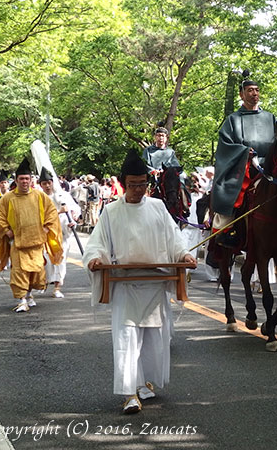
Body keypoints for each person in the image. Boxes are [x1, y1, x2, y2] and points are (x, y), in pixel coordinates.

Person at [83, 149, 196, 414]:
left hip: (155, 282)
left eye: (143, 184)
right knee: (126, 339)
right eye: (133, 185)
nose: (138, 190)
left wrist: (185, 255)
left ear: (148, 183)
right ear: (124, 184)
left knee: (153, 339)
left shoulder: (158, 207)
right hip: (125, 284)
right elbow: (97, 244)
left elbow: (174, 239)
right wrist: (95, 259)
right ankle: (128, 393)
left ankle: (145, 383)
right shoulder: (111, 211)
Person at [212, 79, 277, 248]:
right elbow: (225, 145)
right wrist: (244, 152)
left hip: (270, 170)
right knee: (231, 193)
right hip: (243, 168)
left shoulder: (270, 118)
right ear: (242, 94)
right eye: (250, 90)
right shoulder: (232, 119)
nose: (254, 94)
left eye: (257, 90)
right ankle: (226, 229)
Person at [0, 158, 62, 312]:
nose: (24, 182)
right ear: (16, 180)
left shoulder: (39, 196)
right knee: (19, 272)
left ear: (31, 180)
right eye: (21, 179)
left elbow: (52, 213)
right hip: (18, 243)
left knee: (36, 273)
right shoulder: (8, 198)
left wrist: (47, 229)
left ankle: (29, 295)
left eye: (27, 179)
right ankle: (22, 299)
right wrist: (6, 230)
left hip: (36, 243)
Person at [38, 167, 81, 298]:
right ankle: (43, 282)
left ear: (52, 183)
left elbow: (75, 209)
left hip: (62, 231)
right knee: (45, 259)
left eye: (49, 183)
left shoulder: (64, 196)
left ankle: (57, 287)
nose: (47, 186)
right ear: (41, 185)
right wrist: (58, 212)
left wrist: (73, 217)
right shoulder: (38, 198)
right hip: (46, 232)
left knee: (60, 260)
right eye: (44, 184)